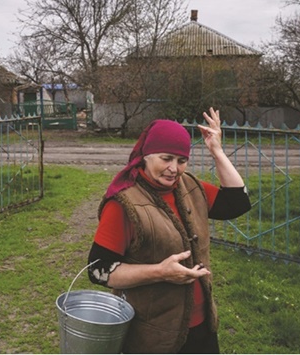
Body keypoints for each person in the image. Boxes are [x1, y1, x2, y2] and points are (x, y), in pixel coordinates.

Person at [87, 108, 251, 354]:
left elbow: (238, 203)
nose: (173, 169)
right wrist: (160, 272)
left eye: (181, 160)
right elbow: (98, 270)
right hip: (153, 336)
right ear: (146, 156)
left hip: (202, 328)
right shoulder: (123, 204)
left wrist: (216, 150)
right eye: (166, 158)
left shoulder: (191, 187)